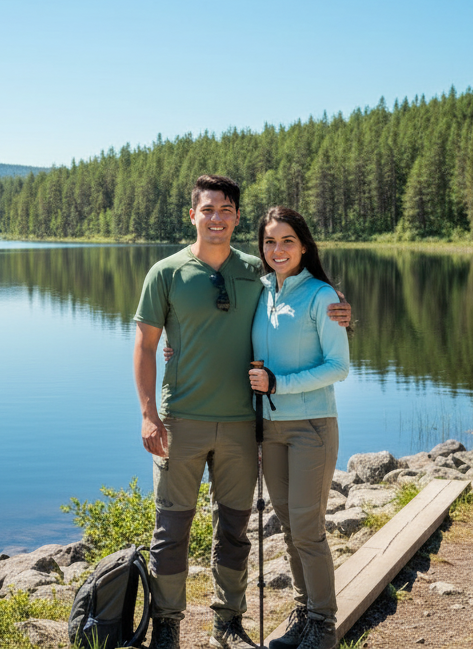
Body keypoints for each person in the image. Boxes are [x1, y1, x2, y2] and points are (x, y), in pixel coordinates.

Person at [133, 176, 350, 649]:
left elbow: (308, 303)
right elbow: (146, 345)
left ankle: (228, 623)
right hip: (181, 421)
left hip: (242, 426)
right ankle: (166, 625)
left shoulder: (256, 272)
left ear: (235, 217)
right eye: (208, 209)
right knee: (171, 529)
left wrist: (341, 310)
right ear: (193, 215)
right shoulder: (166, 273)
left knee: (234, 530)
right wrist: (149, 414)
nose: (217, 218)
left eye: (226, 210)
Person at [248, 207, 351, 649]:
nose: (278, 249)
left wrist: (279, 384)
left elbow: (339, 367)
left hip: (311, 426)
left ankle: (323, 627)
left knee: (308, 528)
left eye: (287, 240)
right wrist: (174, 346)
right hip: (270, 429)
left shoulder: (322, 296)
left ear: (304, 245)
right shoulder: (260, 290)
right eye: (270, 242)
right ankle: (304, 613)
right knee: (289, 528)